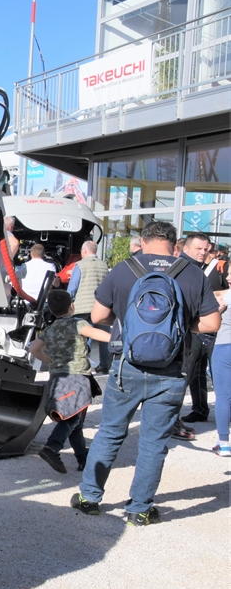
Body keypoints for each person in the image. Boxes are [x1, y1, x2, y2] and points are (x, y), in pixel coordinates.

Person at [71, 221, 221, 526]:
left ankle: (89, 498)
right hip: (171, 371)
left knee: (111, 432)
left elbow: (98, 316)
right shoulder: (192, 273)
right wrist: (181, 328)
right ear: (175, 244)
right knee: (154, 443)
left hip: (127, 366)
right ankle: (139, 509)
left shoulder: (125, 268)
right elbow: (211, 324)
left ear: (143, 241)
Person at [30, 290, 112, 473]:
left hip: (57, 379)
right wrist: (117, 338)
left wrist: (51, 362)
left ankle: (83, 458)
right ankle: (52, 447)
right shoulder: (77, 324)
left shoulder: (49, 330)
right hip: (77, 378)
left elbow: (34, 349)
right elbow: (96, 333)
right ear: (72, 306)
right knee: (73, 417)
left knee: (75, 421)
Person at [180, 233, 215, 424]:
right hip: (193, 330)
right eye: (199, 248)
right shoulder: (187, 269)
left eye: (206, 248)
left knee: (199, 371)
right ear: (186, 249)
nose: (203, 252)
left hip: (205, 329)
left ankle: (200, 409)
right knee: (188, 373)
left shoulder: (203, 268)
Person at [67, 240, 111, 373]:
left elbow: (73, 287)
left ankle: (83, 364)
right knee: (103, 337)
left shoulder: (80, 265)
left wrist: (68, 302)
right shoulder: (104, 265)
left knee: (84, 337)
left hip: (82, 307)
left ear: (84, 251)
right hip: (101, 307)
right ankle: (104, 365)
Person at [212, 289, 230, 457]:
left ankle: (223, 443)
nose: (228, 276)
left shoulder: (225, 298)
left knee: (224, 396)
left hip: (225, 346)